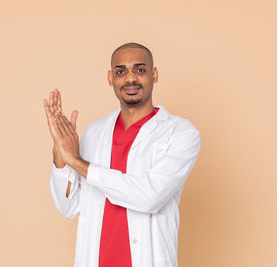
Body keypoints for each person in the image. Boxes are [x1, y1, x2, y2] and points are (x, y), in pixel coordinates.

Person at [43, 42, 201, 267]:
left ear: (154, 74)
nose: (130, 79)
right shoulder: (94, 133)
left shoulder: (180, 133)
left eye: (140, 69)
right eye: (121, 72)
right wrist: (60, 153)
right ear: (110, 78)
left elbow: (149, 197)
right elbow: (68, 208)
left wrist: (76, 162)